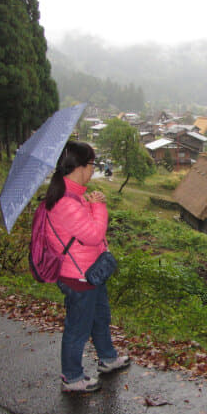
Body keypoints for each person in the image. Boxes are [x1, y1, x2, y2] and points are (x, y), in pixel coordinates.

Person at [44, 141, 130, 392]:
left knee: (100, 317)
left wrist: (91, 204)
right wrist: (99, 206)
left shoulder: (73, 196)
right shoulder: (66, 203)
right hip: (78, 277)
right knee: (77, 328)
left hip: (90, 272)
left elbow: (85, 233)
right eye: (92, 164)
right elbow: (93, 235)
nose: (94, 169)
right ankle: (71, 377)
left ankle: (108, 358)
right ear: (79, 167)